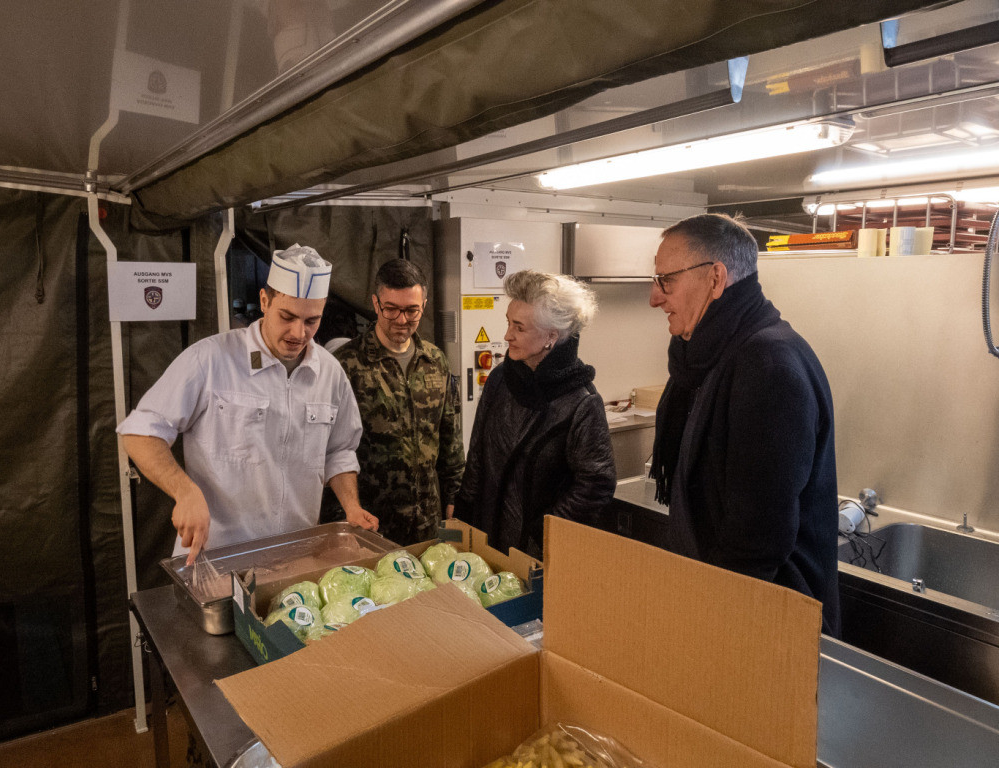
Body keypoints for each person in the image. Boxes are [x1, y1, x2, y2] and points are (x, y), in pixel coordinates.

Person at [118, 244, 378, 564]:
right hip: (217, 557)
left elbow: (339, 450)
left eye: (312, 321)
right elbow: (140, 432)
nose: (299, 333)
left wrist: (351, 507)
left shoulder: (330, 373)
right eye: (287, 317)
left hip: (294, 558)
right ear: (265, 302)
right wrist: (184, 491)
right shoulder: (211, 359)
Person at [648, 213, 840, 636]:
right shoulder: (709, 357)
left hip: (764, 621)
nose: (654, 297)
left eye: (666, 280)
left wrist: (716, 622)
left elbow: (758, 539)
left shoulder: (768, 364)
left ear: (715, 279)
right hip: (722, 600)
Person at [454, 270, 616, 558]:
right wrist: (463, 514)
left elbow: (597, 484)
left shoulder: (582, 402)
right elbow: (477, 454)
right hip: (485, 540)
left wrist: (542, 533)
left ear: (550, 337)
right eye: (508, 323)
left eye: (519, 327)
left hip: (539, 554)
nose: (507, 335)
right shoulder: (500, 379)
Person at [332, 259, 464, 545]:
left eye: (411, 310)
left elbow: (450, 438)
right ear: (376, 303)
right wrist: (341, 516)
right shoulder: (346, 365)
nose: (402, 320)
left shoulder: (435, 361)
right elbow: (331, 450)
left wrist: (455, 497)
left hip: (426, 520)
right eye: (391, 309)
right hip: (369, 522)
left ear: (424, 305)